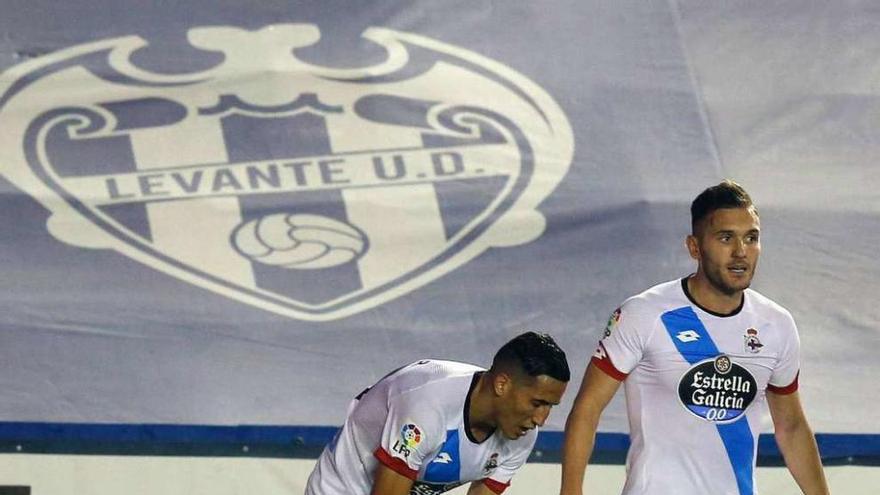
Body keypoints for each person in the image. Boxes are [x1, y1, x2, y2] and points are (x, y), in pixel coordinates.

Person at [560, 180, 830, 495]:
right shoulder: (645, 314)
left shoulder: (776, 325)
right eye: (726, 238)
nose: (741, 252)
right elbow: (587, 409)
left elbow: (792, 427)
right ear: (694, 247)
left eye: (751, 238)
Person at [306, 331, 570, 495]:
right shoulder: (427, 402)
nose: (541, 420)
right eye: (537, 403)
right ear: (502, 384)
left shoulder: (522, 434)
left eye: (550, 406)